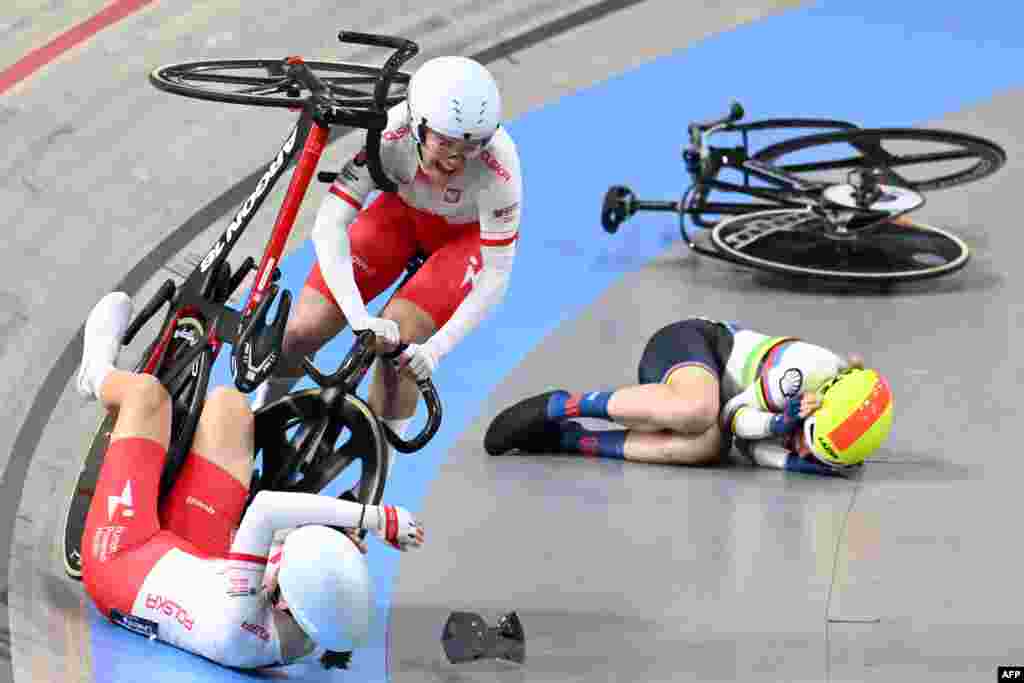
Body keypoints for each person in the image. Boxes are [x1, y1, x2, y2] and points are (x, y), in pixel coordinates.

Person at [75, 292, 425, 669]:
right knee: (230, 408)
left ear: (285, 602)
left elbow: (265, 510)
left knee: (147, 397)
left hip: (122, 563)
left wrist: (374, 517)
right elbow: (302, 567)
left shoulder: (238, 623)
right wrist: (332, 542)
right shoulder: (309, 628)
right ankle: (153, 453)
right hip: (200, 559)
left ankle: (95, 373)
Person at [253, 55, 522, 460]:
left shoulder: (500, 166)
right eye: (444, 143)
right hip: (400, 215)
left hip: (462, 240)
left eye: (468, 147)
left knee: (402, 342)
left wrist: (435, 352)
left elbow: (497, 275)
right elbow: (330, 223)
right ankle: (257, 423)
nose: (454, 160)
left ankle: (371, 494)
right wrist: (357, 316)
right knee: (300, 332)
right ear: (417, 125)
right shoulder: (391, 132)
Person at [484, 317, 893, 476]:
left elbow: (751, 451)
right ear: (821, 401)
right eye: (808, 443)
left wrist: (798, 463)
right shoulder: (805, 371)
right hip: (690, 344)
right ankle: (562, 405)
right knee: (700, 412)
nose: (801, 448)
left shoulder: (814, 421)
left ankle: (568, 439)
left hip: (704, 396)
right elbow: (735, 415)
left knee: (709, 448)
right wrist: (778, 423)